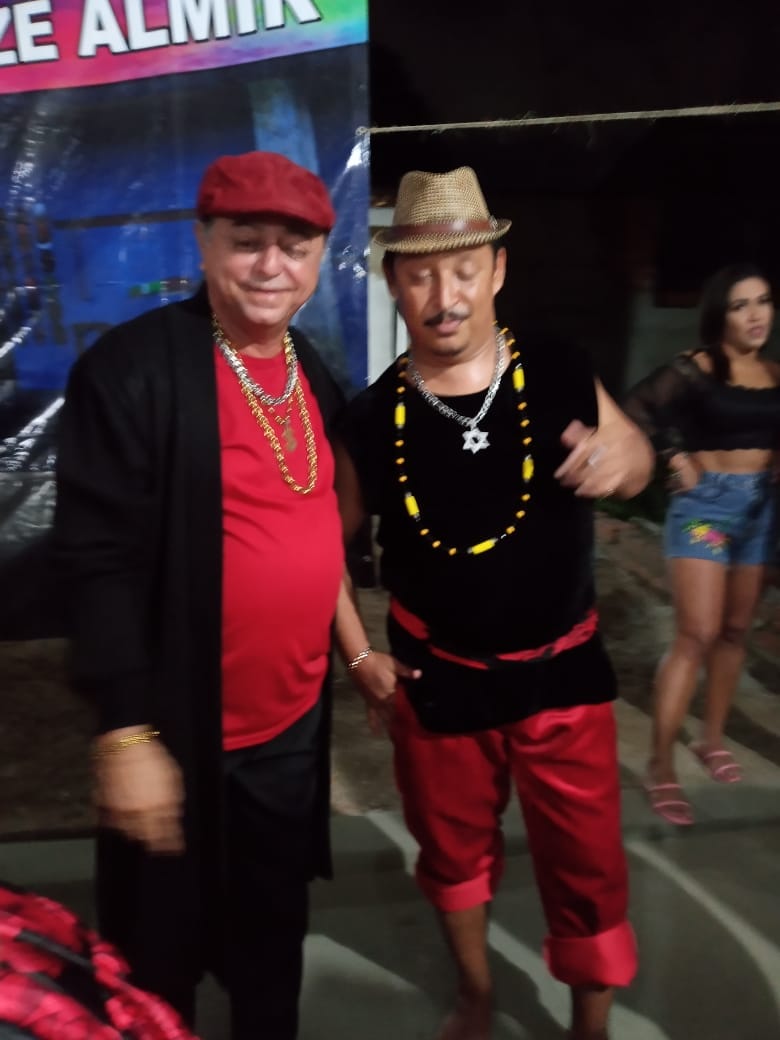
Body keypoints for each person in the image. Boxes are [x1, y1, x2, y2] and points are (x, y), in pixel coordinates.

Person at [334, 167, 654, 1040]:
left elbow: (634, 457)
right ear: (394, 282)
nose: (445, 297)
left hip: (563, 676)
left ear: (497, 269)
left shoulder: (558, 368)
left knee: (589, 869)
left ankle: (590, 1029)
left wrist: (625, 463)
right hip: (438, 682)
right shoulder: (372, 418)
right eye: (422, 275)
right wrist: (358, 656)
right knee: (452, 857)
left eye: (464, 269)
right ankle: (475, 994)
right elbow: (322, 550)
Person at [54, 151, 349, 1040]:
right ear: (204, 242)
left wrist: (362, 651)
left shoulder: (312, 369)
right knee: (157, 970)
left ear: (319, 259)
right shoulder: (132, 369)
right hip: (177, 739)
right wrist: (125, 732)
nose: (271, 266)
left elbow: (323, 522)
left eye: (294, 247)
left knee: (272, 952)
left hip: (289, 734)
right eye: (247, 241)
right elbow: (96, 562)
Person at [623, 263, 780, 826]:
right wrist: (672, 455)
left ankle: (711, 740)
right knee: (697, 634)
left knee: (735, 632)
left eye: (763, 301)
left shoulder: (775, 373)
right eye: (741, 305)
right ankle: (660, 764)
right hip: (706, 510)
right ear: (720, 315)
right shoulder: (697, 368)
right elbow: (635, 407)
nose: (756, 315)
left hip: (759, 514)